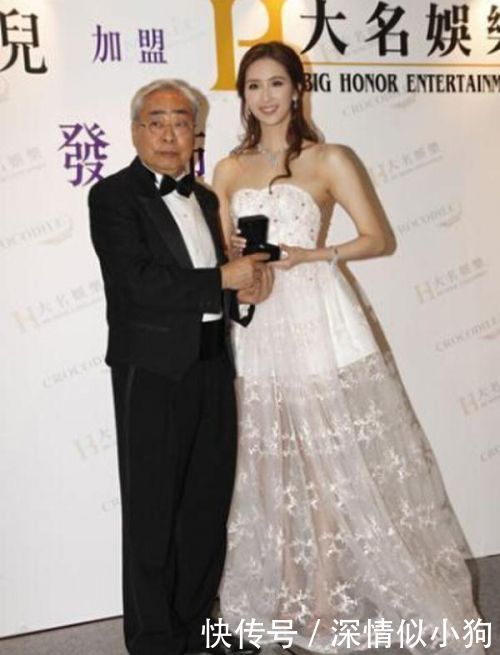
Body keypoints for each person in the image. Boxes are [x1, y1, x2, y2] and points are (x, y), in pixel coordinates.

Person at [213, 42, 485, 654]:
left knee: (325, 460)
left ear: (297, 89)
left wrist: (311, 255)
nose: (265, 97)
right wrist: (239, 264)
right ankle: (285, 595)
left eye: (276, 83)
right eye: (253, 86)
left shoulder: (328, 158)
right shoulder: (228, 169)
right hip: (258, 320)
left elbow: (377, 238)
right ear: (243, 97)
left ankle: (322, 603)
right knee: (268, 459)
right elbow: (222, 250)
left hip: (316, 315)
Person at [88, 79, 271, 655]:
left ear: (196, 133)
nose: (170, 134)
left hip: (212, 364)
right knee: (152, 510)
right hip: (151, 370)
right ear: (136, 131)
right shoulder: (112, 197)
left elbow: (213, 286)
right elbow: (136, 283)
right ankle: (154, 640)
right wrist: (220, 278)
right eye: (157, 122)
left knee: (205, 506)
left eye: (181, 123)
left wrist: (241, 291)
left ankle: (197, 628)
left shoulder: (207, 199)